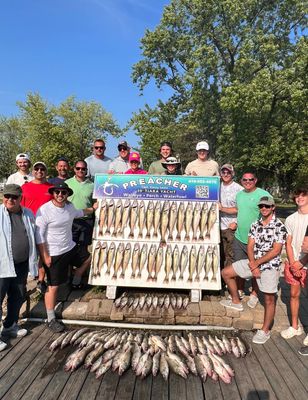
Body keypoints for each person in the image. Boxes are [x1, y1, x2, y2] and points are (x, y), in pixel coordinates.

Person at [220, 197, 286, 344]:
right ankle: (236, 301)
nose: (264, 208)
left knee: (269, 299)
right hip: (253, 262)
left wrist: (257, 264)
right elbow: (250, 246)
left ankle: (265, 330)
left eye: (267, 206)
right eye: (261, 206)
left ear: (273, 207)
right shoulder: (255, 224)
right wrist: (253, 264)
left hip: (270, 266)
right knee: (226, 273)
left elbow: (276, 251)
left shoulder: (279, 226)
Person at [35, 183, 96, 332]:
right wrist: (45, 256)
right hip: (54, 252)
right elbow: (39, 236)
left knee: (90, 257)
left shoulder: (69, 207)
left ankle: (77, 276)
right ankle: (50, 318)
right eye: (57, 191)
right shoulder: (44, 210)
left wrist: (93, 208)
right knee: (53, 286)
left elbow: (80, 212)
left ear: (67, 194)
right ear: (53, 193)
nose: (60, 194)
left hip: (70, 247)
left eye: (63, 192)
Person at [0, 184, 38, 351]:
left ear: (20, 198)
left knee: (17, 296)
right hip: (2, 264)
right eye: (7, 196)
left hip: (22, 264)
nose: (10, 199)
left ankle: (10, 325)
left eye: (14, 197)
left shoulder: (28, 213)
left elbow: (34, 235)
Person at [233, 171, 272, 307]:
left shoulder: (263, 194)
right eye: (245, 179)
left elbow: (271, 211)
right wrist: (221, 208)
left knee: (255, 266)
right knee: (238, 267)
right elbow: (239, 211)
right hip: (239, 237)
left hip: (256, 240)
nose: (247, 181)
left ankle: (255, 293)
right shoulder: (239, 195)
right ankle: (240, 289)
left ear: (255, 180)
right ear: (241, 180)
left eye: (250, 179)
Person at [281, 188, 308, 345]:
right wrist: (292, 263)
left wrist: (302, 262)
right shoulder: (291, 218)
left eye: (303, 195)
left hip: (305, 263)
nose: (300, 198)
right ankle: (294, 326)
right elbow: (288, 242)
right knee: (293, 295)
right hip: (294, 263)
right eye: (297, 196)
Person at [20, 161, 53, 293]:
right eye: (37, 169)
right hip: (28, 224)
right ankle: (22, 282)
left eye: (42, 169)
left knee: (43, 253)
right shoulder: (25, 187)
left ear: (46, 171)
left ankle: (41, 280)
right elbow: (20, 206)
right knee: (25, 254)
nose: (39, 171)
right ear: (33, 171)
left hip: (45, 226)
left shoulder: (51, 187)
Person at [66, 160, 95, 288]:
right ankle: (68, 277)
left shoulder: (92, 184)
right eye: (78, 168)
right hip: (71, 221)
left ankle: (79, 276)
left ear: (86, 170)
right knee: (69, 248)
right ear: (74, 169)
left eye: (83, 169)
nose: (80, 171)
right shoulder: (67, 183)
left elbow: (95, 202)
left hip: (87, 220)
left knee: (84, 249)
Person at [218, 164, 243, 267]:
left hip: (231, 228)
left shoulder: (239, 189)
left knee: (230, 255)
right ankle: (221, 281)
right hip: (217, 227)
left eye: (228, 172)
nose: (226, 174)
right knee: (219, 255)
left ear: (232, 173)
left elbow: (241, 209)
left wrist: (236, 223)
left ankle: (230, 280)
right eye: (223, 172)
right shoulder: (216, 187)